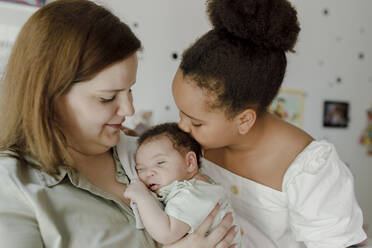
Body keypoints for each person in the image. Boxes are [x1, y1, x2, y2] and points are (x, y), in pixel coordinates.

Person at [0, 1, 237, 247]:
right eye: (107, 97)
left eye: (130, 90)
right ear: (49, 96)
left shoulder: (145, 153)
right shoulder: (13, 187)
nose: (129, 109)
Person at [171, 0, 367, 247]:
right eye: (180, 113)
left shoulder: (309, 168)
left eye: (196, 122)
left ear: (244, 120)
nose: (182, 126)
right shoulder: (189, 144)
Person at [124, 122, 241, 246]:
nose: (148, 173)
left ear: (190, 162)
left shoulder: (193, 193)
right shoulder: (193, 186)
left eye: (160, 163)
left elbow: (166, 233)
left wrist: (142, 197)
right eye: (141, 169)